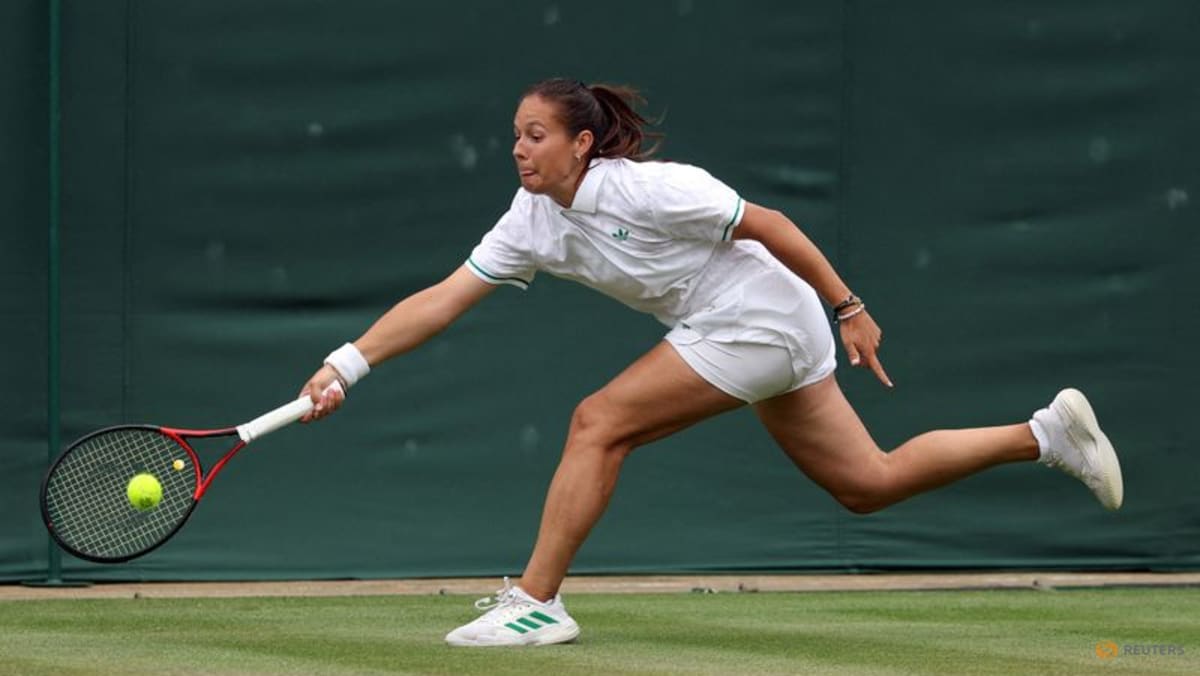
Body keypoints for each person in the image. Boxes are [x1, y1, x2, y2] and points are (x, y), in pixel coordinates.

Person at [299, 78, 1123, 647]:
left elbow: (772, 225)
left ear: (582, 143)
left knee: (599, 422)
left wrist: (849, 306)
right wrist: (345, 365)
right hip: (745, 328)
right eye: (515, 135)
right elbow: (443, 298)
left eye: (536, 135)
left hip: (761, 317)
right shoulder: (530, 218)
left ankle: (538, 603)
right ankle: (1044, 435)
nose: (519, 149)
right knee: (865, 483)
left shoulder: (649, 189)